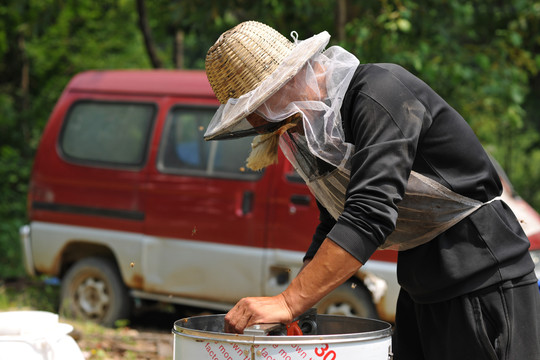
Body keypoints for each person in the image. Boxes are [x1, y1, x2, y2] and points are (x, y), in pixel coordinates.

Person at [203, 20, 540, 359]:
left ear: (290, 77)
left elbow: (369, 214)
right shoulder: (320, 128)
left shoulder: (380, 94)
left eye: (264, 108)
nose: (271, 123)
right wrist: (301, 305)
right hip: (420, 286)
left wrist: (289, 302)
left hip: (484, 277)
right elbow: (336, 221)